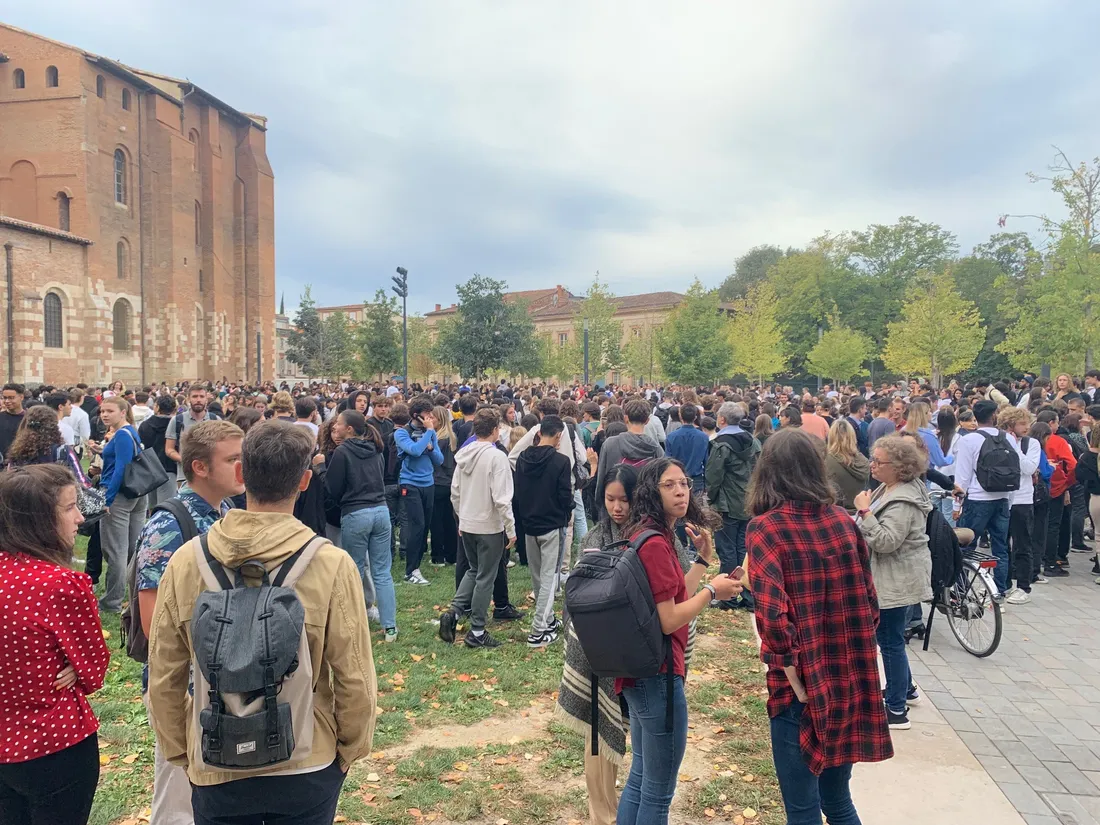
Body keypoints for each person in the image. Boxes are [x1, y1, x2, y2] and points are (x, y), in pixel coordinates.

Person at [146, 421, 377, 825]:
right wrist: (350, 747)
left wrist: (181, 750)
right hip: (308, 755)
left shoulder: (186, 561)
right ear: (305, 481)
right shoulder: (330, 564)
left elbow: (165, 673)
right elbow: (354, 673)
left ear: (241, 474)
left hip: (215, 756)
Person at [748, 428, 890, 824]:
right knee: (838, 799)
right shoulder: (844, 523)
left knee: (803, 808)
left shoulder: (766, 529)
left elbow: (773, 620)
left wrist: (796, 680)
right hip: (847, 677)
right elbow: (870, 604)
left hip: (802, 685)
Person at [614, 458, 739, 825]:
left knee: (641, 778)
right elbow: (669, 620)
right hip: (658, 676)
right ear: (652, 491)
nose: (681, 490)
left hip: (641, 671)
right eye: (669, 485)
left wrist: (702, 561)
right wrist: (713, 592)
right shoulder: (654, 543)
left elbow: (671, 600)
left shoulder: (650, 534)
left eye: (684, 483)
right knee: (657, 791)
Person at [133, 419, 244, 825]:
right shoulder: (169, 524)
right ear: (199, 467)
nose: (242, 468)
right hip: (184, 685)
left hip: (226, 676)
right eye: (232, 459)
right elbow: (153, 623)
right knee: (180, 796)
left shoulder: (229, 511)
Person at [0, 464, 109, 825]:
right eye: (69, 508)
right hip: (54, 743)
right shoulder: (61, 584)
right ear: (38, 519)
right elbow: (94, 672)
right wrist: (73, 668)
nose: (79, 517)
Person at [854, 435, 932, 730]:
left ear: (899, 467)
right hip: (891, 577)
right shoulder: (890, 488)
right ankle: (906, 689)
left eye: (878, 461)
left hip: (895, 580)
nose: (872, 465)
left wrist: (864, 511)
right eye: (872, 459)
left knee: (890, 642)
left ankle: (896, 709)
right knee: (892, 639)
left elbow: (887, 541)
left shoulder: (903, 500)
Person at [440, 408, 517, 650]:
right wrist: (511, 528)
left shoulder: (463, 455)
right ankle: (477, 630)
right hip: (489, 525)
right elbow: (502, 499)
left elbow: (455, 492)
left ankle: (453, 612)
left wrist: (462, 518)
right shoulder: (497, 458)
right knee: (486, 576)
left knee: (474, 570)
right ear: (495, 431)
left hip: (468, 522)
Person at [326, 410, 396, 643]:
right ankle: (390, 628)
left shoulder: (342, 452)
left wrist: (319, 470)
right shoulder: (376, 448)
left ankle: (353, 624)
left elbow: (333, 489)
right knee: (381, 571)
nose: (335, 427)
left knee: (354, 569)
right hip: (381, 511)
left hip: (356, 513)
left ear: (349, 429)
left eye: (338, 424)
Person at [514, 415, 574, 648]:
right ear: (558, 435)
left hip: (529, 523)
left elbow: (518, 491)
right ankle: (538, 631)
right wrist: (566, 512)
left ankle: (547, 620)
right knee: (550, 578)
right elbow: (564, 495)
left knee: (538, 576)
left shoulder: (522, 458)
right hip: (552, 524)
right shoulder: (561, 461)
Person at [89, 397, 146, 614]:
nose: (104, 415)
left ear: (123, 412)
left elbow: (121, 468)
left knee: (116, 552)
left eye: (110, 411)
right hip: (137, 493)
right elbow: (121, 458)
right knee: (131, 549)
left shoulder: (122, 434)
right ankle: (134, 596)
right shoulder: (129, 430)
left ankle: (111, 602)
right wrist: (100, 451)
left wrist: (107, 500)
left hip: (120, 495)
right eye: (102, 411)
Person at [952, 400, 1013, 595]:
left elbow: (962, 477)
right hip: (1002, 498)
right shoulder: (1008, 438)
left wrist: (956, 505)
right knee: (1001, 547)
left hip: (977, 499)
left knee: (965, 546)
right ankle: (1000, 591)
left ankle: (961, 591)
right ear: (995, 414)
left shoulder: (968, 440)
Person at [706, 402, 760, 610]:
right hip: (748, 500)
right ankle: (747, 595)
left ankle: (728, 596)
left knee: (727, 549)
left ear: (721, 419)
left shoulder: (721, 444)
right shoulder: (753, 442)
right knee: (744, 549)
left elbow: (714, 475)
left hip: (727, 502)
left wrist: (711, 498)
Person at [395, 398, 443, 585]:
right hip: (410, 483)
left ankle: (416, 566)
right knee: (417, 525)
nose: (431, 417)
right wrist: (429, 433)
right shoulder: (402, 433)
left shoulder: (429, 433)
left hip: (428, 483)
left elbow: (438, 459)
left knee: (424, 527)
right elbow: (414, 451)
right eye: (427, 414)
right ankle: (411, 571)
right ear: (417, 415)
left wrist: (430, 446)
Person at [998, 407, 1041, 604]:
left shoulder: (1031, 443)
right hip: (1002, 497)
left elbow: (1028, 468)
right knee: (1001, 544)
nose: (1027, 427)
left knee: (1022, 544)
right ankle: (1004, 584)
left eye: (1027, 423)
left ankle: (1024, 585)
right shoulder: (998, 440)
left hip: (1023, 499)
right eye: (1022, 423)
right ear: (1010, 424)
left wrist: (1014, 445)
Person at [1037, 410, 1077, 575]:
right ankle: (1051, 562)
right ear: (1051, 423)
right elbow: (1073, 464)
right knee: (1054, 525)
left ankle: (1037, 558)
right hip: (1056, 486)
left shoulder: (1030, 441)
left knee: (1038, 524)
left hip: (1035, 488)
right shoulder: (1058, 441)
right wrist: (1068, 482)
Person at [593, 399, 662, 493]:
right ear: (647, 421)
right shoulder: (655, 447)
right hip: (645, 501)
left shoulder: (609, 444)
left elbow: (601, 477)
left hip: (616, 500)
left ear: (625, 418)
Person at [164, 385, 219, 485]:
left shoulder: (215, 420)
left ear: (206, 399)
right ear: (188, 399)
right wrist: (184, 459)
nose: (198, 400)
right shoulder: (177, 420)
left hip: (211, 476)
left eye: (201, 397)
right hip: (185, 477)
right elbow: (169, 449)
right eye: (195, 396)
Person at [429, 406, 459, 567]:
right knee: (449, 520)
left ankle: (437, 556)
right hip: (449, 481)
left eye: (432, 418)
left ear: (439, 420)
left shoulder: (438, 439)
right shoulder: (452, 437)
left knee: (436, 521)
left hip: (437, 481)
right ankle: (452, 555)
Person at [140, 394, 180, 507]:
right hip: (169, 468)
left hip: (150, 468)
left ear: (156, 407)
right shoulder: (176, 425)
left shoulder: (145, 425)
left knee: (152, 507)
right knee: (167, 506)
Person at [826, 418, 871, 512]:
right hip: (861, 512)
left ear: (831, 436)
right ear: (852, 436)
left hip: (836, 513)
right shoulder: (863, 460)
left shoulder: (826, 460)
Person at [4, 405, 71, 467]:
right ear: (53, 426)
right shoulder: (61, 450)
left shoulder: (16, 453)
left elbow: (10, 476)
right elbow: (79, 477)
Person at [663, 402, 709, 492]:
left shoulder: (672, 436)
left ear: (680, 417)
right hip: (697, 479)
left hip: (677, 478)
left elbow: (667, 460)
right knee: (696, 504)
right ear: (695, 417)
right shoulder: (703, 437)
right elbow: (707, 462)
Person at [0, 383, 26, 460]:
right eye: (4, 398)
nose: (7, 401)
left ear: (21, 397)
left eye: (11, 398)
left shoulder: (28, 418)